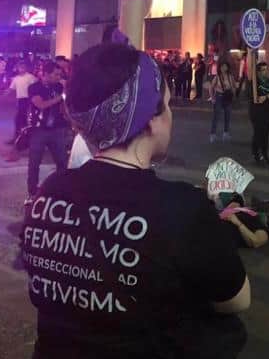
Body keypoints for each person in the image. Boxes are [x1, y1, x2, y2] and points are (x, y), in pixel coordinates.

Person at [23, 43, 250, 358]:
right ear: (148, 120)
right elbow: (236, 299)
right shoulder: (181, 208)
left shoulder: (49, 191)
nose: (170, 117)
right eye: (167, 106)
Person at [25, 62, 70, 206]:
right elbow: (41, 105)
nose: (59, 77)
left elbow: (64, 107)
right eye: (56, 74)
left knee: (62, 162)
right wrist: (62, 96)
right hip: (39, 130)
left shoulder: (58, 87)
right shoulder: (34, 88)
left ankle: (61, 191)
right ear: (45, 74)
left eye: (60, 74)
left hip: (58, 129)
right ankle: (32, 193)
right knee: (34, 163)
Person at [249, 60, 269, 165]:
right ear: (258, 72)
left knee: (266, 134)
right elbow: (250, 96)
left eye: (266, 69)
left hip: (268, 110)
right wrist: (256, 98)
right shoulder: (253, 82)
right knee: (258, 133)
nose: (265, 72)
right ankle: (256, 153)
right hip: (256, 111)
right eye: (263, 70)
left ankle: (265, 154)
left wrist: (266, 97)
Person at [7, 62, 37, 145]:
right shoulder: (16, 78)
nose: (21, 69)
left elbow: (35, 87)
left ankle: (23, 138)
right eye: (19, 67)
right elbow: (11, 88)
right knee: (20, 119)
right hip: (20, 100)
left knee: (21, 119)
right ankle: (19, 138)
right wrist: (6, 92)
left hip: (28, 99)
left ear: (26, 68)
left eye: (23, 67)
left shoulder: (30, 77)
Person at [209, 61, 234, 143]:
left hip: (227, 98)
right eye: (222, 66)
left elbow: (233, 86)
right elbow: (211, 87)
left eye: (225, 66)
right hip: (219, 97)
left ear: (227, 68)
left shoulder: (230, 77)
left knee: (228, 115)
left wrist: (232, 92)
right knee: (216, 116)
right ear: (220, 68)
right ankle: (213, 135)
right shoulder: (217, 77)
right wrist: (212, 98)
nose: (224, 68)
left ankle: (226, 133)